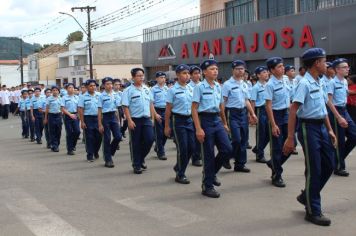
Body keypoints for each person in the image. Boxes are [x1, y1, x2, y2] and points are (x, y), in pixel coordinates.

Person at [283, 47, 337, 226]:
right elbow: (293, 109)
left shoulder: (319, 81)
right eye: (324, 61)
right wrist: (290, 137)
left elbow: (322, 109)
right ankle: (313, 210)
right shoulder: (304, 83)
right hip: (308, 128)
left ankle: (306, 195)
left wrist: (329, 129)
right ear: (316, 63)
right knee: (314, 169)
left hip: (321, 126)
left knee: (330, 164)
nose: (326, 64)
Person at [191, 59, 233, 198]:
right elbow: (194, 109)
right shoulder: (199, 87)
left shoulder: (217, 86)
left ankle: (211, 173)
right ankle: (207, 186)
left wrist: (225, 123)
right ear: (204, 72)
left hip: (217, 120)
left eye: (216, 69)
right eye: (212, 69)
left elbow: (221, 106)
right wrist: (198, 128)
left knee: (227, 149)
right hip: (205, 120)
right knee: (208, 155)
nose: (215, 71)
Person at [222, 60, 258, 173]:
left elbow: (246, 100)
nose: (240, 70)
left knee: (243, 139)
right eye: (238, 68)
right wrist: (223, 120)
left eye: (242, 68)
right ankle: (226, 157)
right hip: (232, 113)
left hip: (243, 113)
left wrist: (252, 113)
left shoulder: (245, 84)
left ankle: (240, 164)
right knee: (236, 139)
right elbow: (223, 102)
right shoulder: (227, 84)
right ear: (233, 70)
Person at [264, 57, 292, 188]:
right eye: (279, 66)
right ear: (272, 70)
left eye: (283, 66)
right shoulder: (270, 84)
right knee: (277, 146)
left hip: (286, 113)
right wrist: (273, 124)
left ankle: (274, 163)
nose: (283, 68)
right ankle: (277, 175)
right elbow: (268, 105)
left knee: (291, 144)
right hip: (276, 115)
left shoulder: (286, 79)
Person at [164, 64, 195, 184]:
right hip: (178, 120)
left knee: (192, 148)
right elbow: (168, 110)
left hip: (189, 120)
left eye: (188, 73)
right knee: (183, 148)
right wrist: (167, 126)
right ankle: (180, 174)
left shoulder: (191, 89)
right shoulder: (172, 90)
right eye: (184, 73)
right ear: (177, 75)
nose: (187, 75)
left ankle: (178, 166)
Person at [122, 68, 156, 174]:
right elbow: (125, 106)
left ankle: (141, 158)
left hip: (146, 119)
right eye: (138, 76)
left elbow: (151, 104)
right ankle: (137, 164)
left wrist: (153, 118)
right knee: (136, 142)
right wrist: (129, 120)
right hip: (135, 119)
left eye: (142, 75)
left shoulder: (146, 89)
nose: (141, 78)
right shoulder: (128, 90)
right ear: (133, 77)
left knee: (150, 139)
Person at [327, 58, 356, 177]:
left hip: (344, 110)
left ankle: (337, 159)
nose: (347, 69)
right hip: (336, 111)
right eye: (344, 67)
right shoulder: (331, 83)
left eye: (347, 67)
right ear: (337, 69)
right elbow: (329, 102)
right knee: (340, 141)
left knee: (354, 136)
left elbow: (345, 93)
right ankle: (339, 167)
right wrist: (338, 117)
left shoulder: (344, 81)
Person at [98, 77, 122, 168]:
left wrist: (119, 121)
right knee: (107, 138)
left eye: (111, 84)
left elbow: (118, 109)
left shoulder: (116, 95)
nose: (110, 86)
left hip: (114, 117)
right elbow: (99, 110)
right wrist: (100, 124)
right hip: (105, 117)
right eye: (107, 84)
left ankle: (110, 151)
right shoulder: (101, 96)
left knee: (118, 137)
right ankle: (108, 160)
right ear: (104, 85)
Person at [78, 80, 102, 162]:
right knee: (89, 138)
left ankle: (96, 151)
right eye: (91, 86)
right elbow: (81, 109)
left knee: (99, 137)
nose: (93, 87)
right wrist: (82, 121)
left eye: (94, 85)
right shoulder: (83, 97)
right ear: (87, 87)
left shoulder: (99, 95)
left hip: (98, 118)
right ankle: (90, 154)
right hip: (88, 118)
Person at [251, 66, 269, 163]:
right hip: (260, 110)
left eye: (267, 72)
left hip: (268, 110)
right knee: (261, 133)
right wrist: (252, 114)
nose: (266, 74)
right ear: (258, 75)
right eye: (264, 72)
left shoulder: (268, 85)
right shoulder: (255, 87)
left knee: (268, 133)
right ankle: (259, 155)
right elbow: (252, 101)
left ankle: (258, 148)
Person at [151, 71, 169, 160]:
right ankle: (161, 152)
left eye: (164, 77)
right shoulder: (153, 89)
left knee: (167, 132)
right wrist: (154, 114)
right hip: (157, 110)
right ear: (156, 79)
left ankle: (158, 146)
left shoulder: (167, 89)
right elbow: (151, 103)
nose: (163, 79)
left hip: (166, 110)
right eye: (161, 77)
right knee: (159, 133)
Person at [188, 65, 203, 167]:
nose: (197, 75)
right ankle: (195, 157)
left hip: (202, 114)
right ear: (190, 75)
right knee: (195, 137)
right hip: (192, 114)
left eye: (199, 73)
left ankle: (200, 154)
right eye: (195, 73)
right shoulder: (188, 86)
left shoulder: (203, 85)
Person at [61, 83, 80, 156]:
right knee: (69, 133)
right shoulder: (64, 98)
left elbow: (79, 107)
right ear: (66, 89)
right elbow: (62, 108)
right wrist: (70, 114)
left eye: (72, 87)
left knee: (77, 131)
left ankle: (73, 145)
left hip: (75, 115)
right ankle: (69, 149)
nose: (71, 89)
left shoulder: (77, 97)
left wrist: (78, 114)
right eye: (69, 87)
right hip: (67, 116)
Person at [44, 86, 62, 152]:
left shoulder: (61, 98)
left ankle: (56, 144)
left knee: (58, 131)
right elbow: (47, 109)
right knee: (52, 131)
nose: (55, 91)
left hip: (59, 115)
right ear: (52, 91)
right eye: (53, 90)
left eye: (56, 90)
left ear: (58, 91)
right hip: (51, 116)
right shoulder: (49, 99)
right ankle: (54, 145)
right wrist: (45, 118)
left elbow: (62, 108)